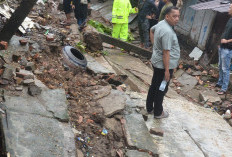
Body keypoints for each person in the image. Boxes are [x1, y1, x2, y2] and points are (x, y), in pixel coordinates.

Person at [146, 6, 180, 119]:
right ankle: (158, 112)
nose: (177, 19)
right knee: (161, 88)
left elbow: (151, 30)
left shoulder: (161, 23)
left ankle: (149, 107)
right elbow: (166, 52)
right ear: (167, 16)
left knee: (154, 84)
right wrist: (167, 71)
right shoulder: (168, 32)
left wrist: (155, 46)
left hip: (157, 62)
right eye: (174, 16)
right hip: (164, 66)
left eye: (178, 16)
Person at [216, 4, 232, 95]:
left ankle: (224, 88)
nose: (228, 9)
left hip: (228, 49)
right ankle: (220, 82)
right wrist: (221, 43)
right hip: (222, 47)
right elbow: (225, 32)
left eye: (230, 7)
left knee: (225, 69)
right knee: (220, 66)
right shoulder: (230, 19)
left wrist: (226, 41)